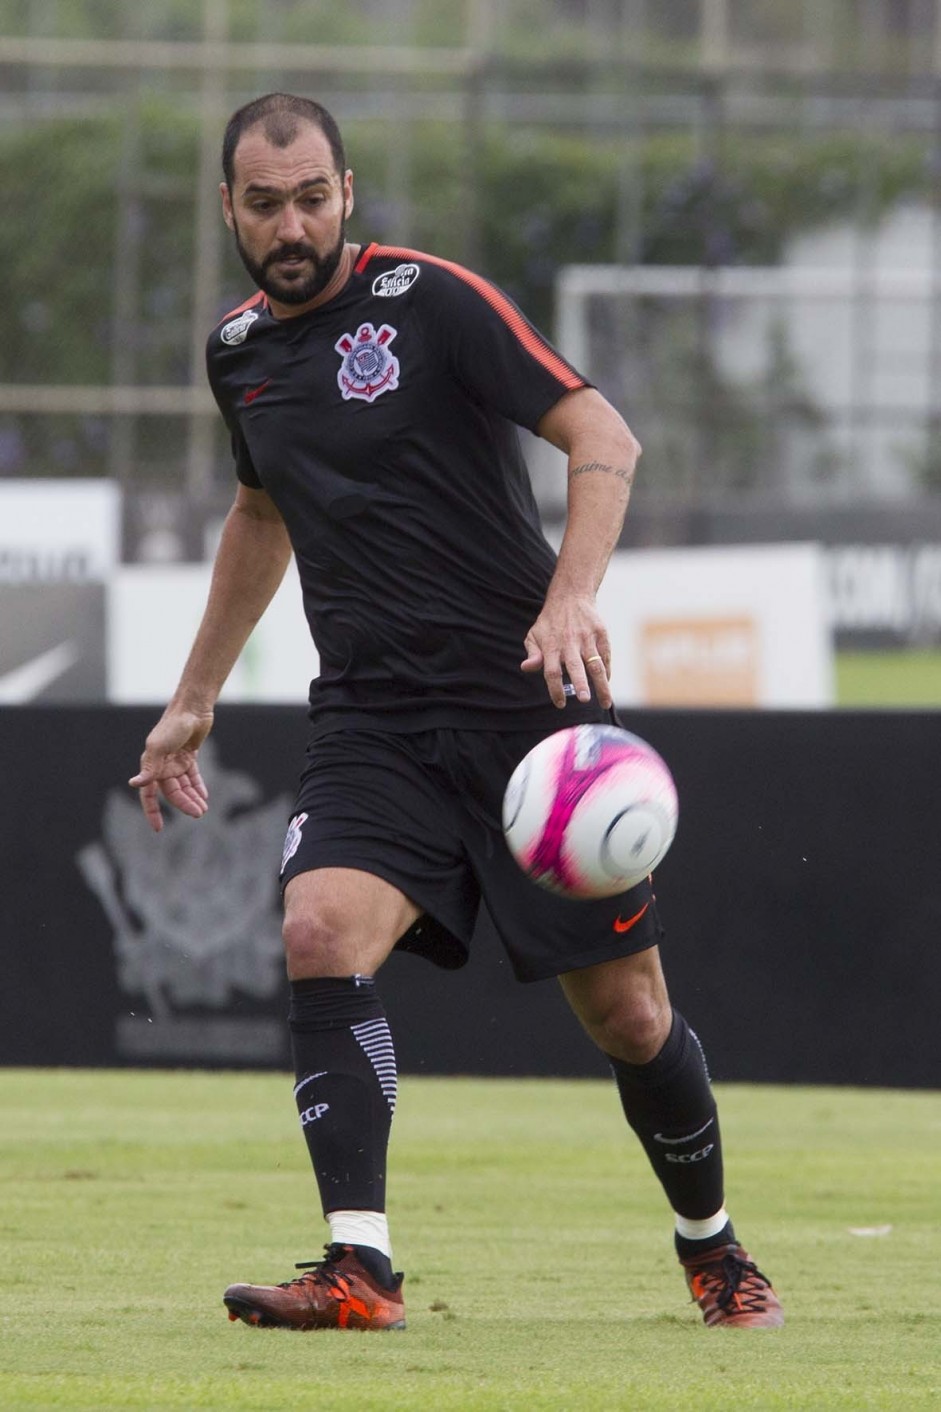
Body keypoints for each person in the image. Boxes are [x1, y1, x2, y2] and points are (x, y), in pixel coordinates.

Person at [130, 92, 783, 1333]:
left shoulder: (431, 301)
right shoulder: (236, 353)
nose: (290, 223)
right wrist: (194, 695)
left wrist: (569, 595)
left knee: (630, 1015)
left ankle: (714, 1248)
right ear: (228, 208)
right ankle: (357, 1267)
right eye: (263, 203)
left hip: (528, 710)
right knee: (318, 928)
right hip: (372, 719)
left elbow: (603, 432)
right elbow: (261, 513)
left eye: (310, 195)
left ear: (347, 190)